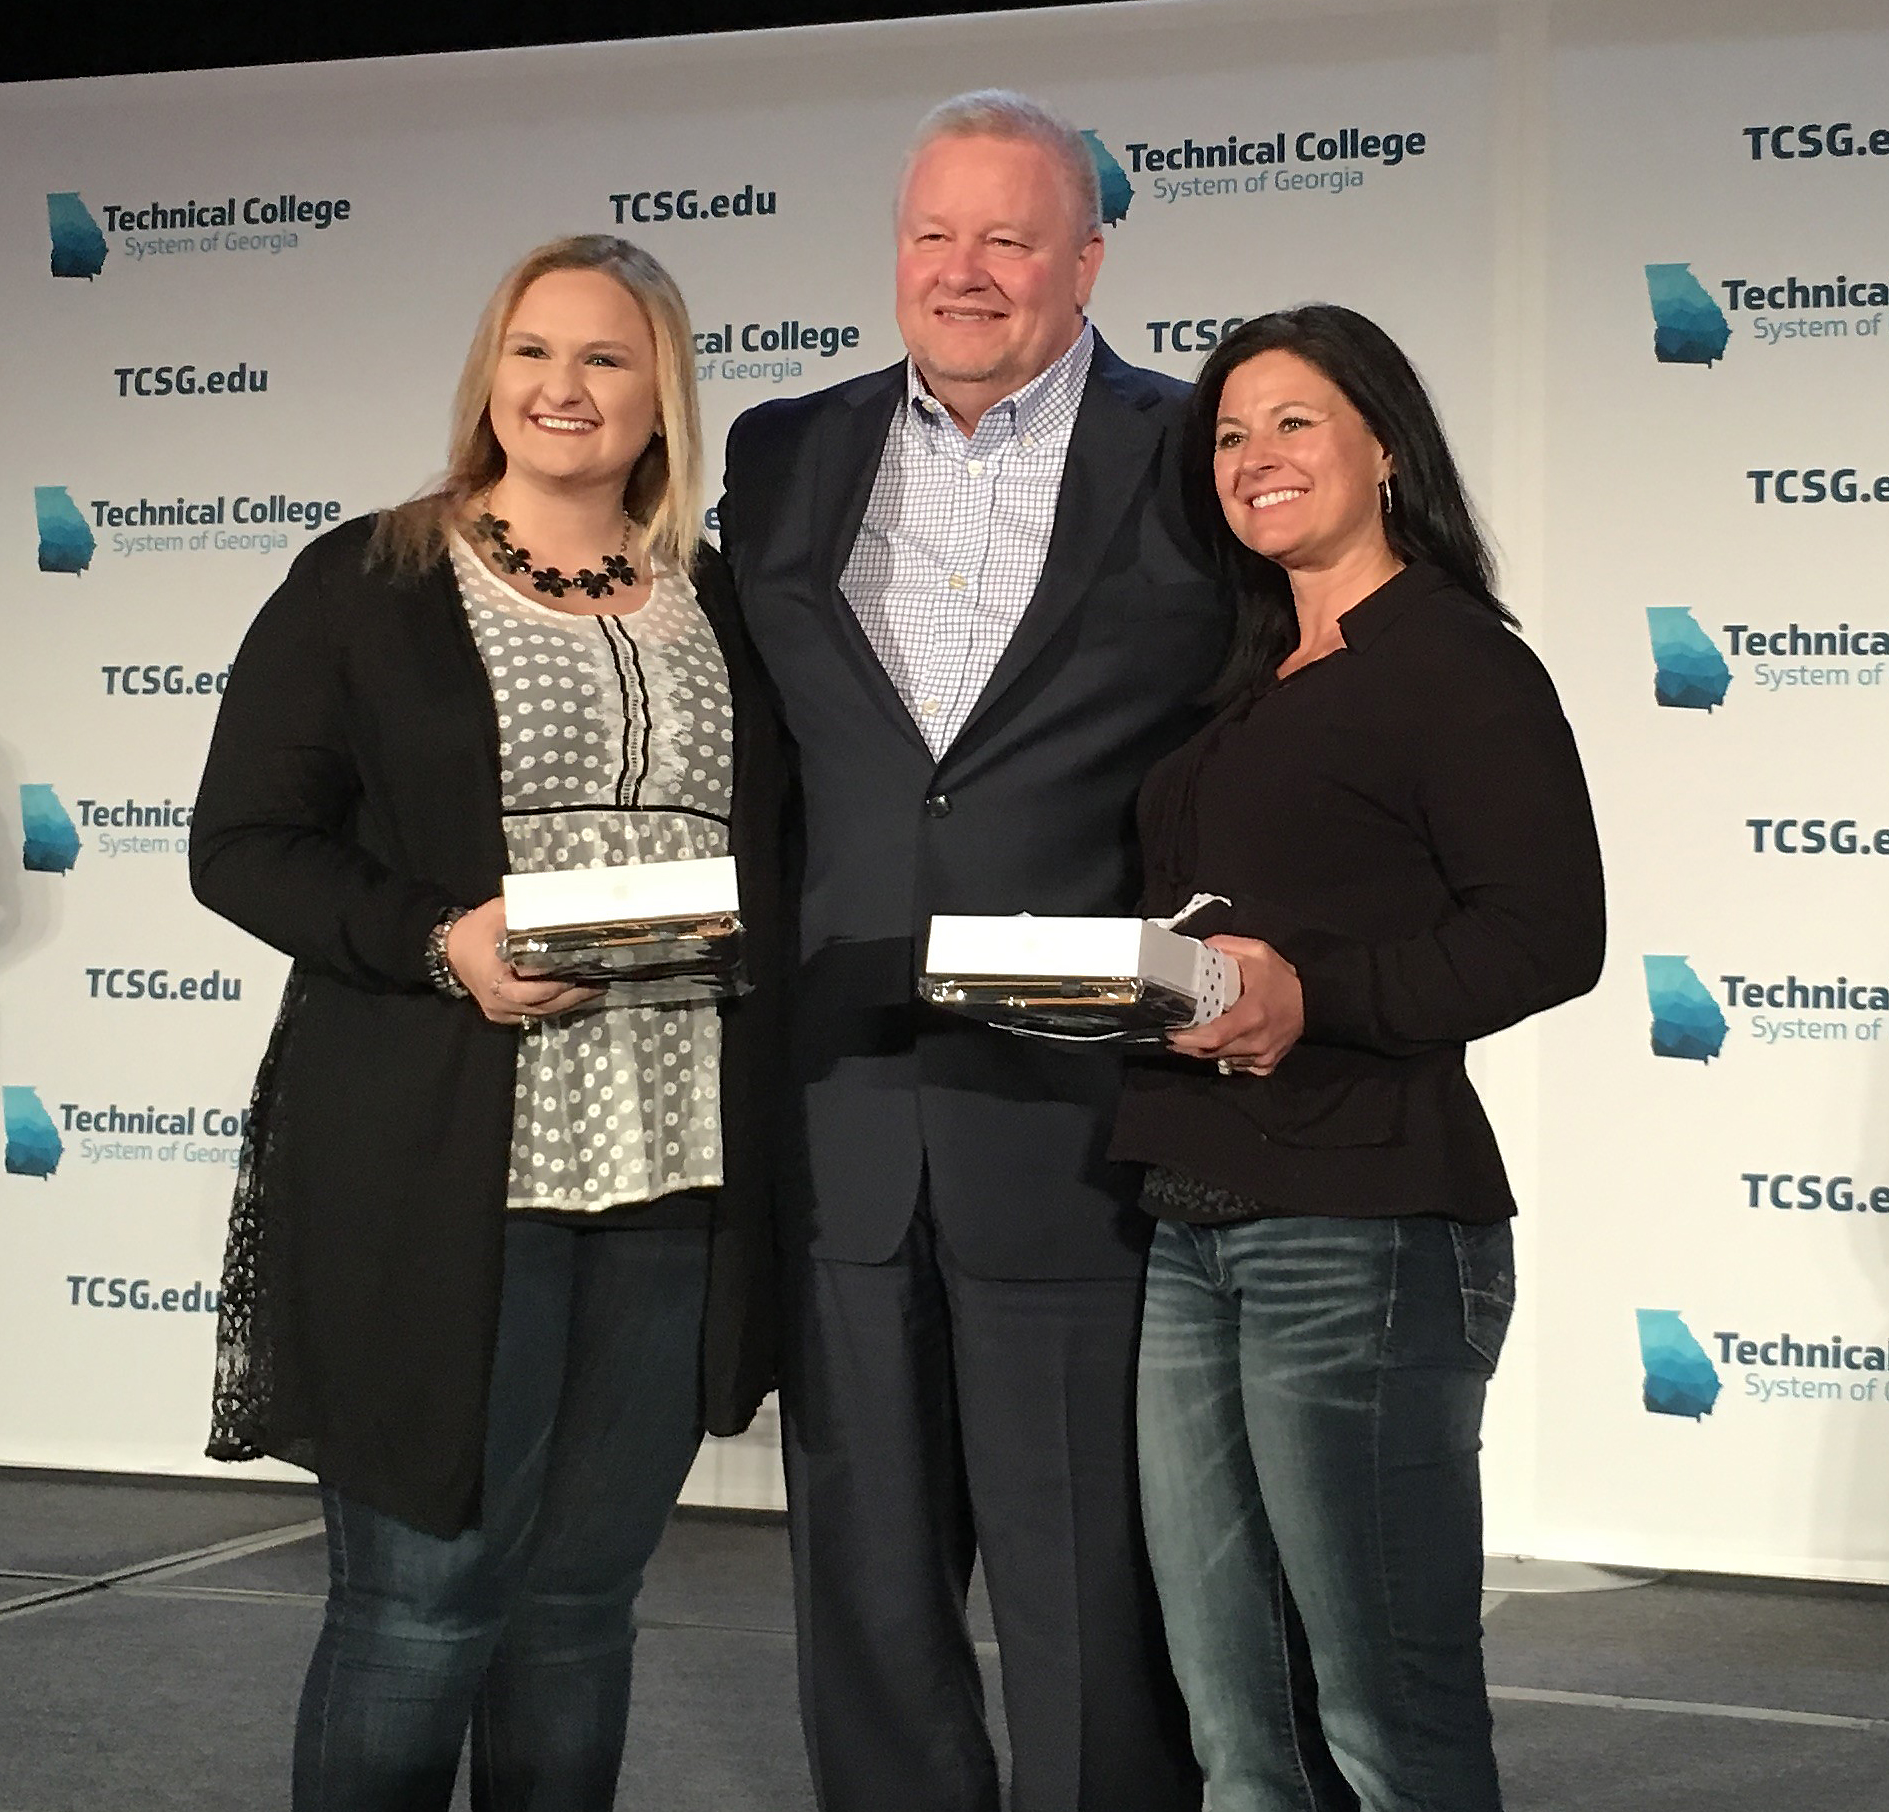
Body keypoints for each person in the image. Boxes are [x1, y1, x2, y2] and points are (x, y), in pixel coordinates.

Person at [188, 234, 784, 1812]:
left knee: (580, 1614)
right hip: (450, 1175)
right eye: (532, 351)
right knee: (421, 1606)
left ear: (663, 394)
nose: (562, 386)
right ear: (488, 377)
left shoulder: (723, 603)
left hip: (672, 1170)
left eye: (603, 356)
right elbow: (242, 843)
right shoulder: (371, 577)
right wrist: (436, 939)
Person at [718, 89, 1226, 1812]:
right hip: (842, 1105)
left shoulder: (1194, 450)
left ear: (1088, 258)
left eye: (1010, 237)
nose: (966, 270)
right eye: (935, 233)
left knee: (1093, 1575)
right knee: (863, 1579)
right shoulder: (784, 449)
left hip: (1077, 1108)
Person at [1109, 304, 1606, 1812]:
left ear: (1384, 444)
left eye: (1295, 422)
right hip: (1190, 1221)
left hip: (1367, 1230)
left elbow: (1544, 936)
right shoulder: (1244, 678)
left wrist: (1307, 997)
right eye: (1232, 435)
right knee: (1236, 1723)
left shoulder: (1458, 662)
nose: (1256, 457)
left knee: (1389, 1712)